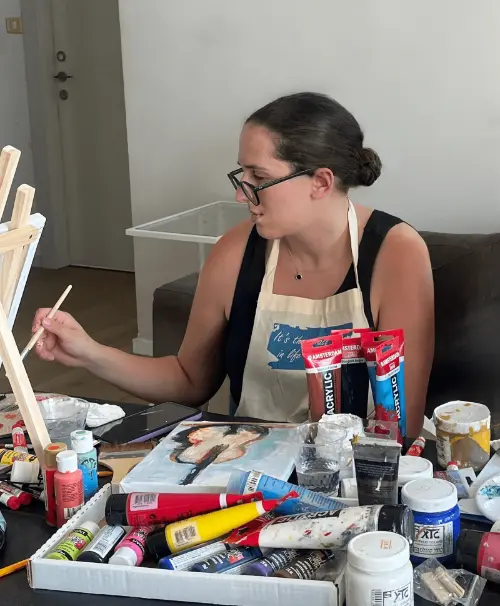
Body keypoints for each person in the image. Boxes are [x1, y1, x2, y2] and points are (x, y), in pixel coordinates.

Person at [32, 92, 434, 437]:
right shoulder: (236, 251)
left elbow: (404, 424)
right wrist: (89, 352)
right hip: (246, 465)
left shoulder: (394, 254)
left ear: (321, 182)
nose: (243, 194)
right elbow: (189, 381)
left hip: (359, 474)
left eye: (258, 176)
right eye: (242, 174)